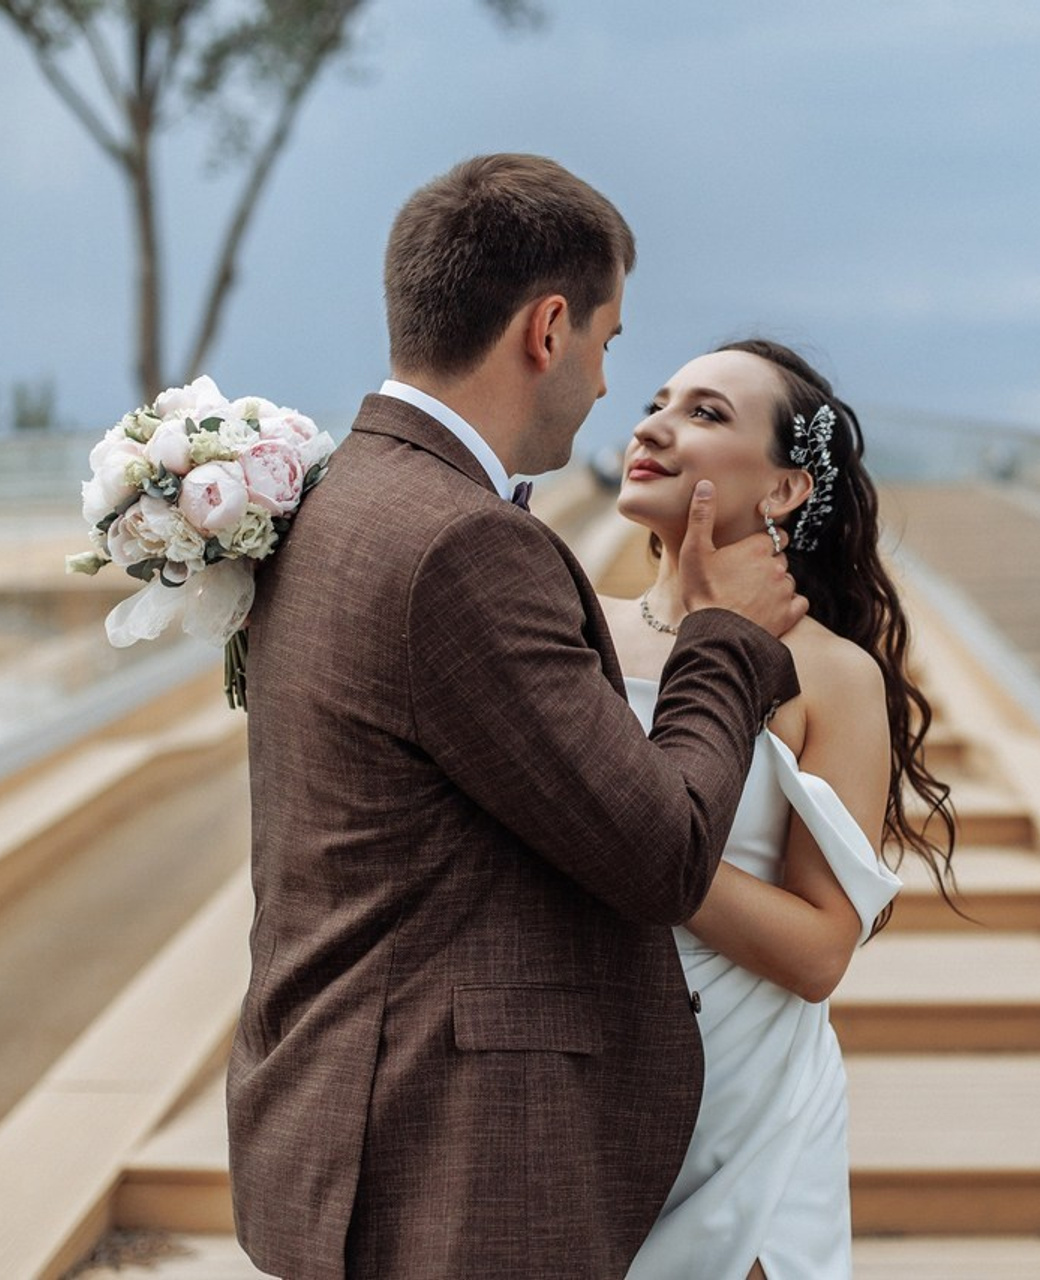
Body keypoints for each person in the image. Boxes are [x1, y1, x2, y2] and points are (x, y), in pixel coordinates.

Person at [226, 156, 808, 1280]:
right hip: (456, 1161)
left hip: (340, 1119)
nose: (604, 386)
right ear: (548, 327)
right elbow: (660, 849)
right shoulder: (463, 543)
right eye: (608, 343)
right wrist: (723, 639)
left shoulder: (336, 494)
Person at [601, 338, 957, 1279]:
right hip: (569, 1063)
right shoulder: (571, 626)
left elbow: (818, 952)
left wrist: (618, 833)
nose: (653, 426)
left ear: (787, 490)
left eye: (706, 414)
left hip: (741, 1094)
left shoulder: (833, 675)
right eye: (658, 401)